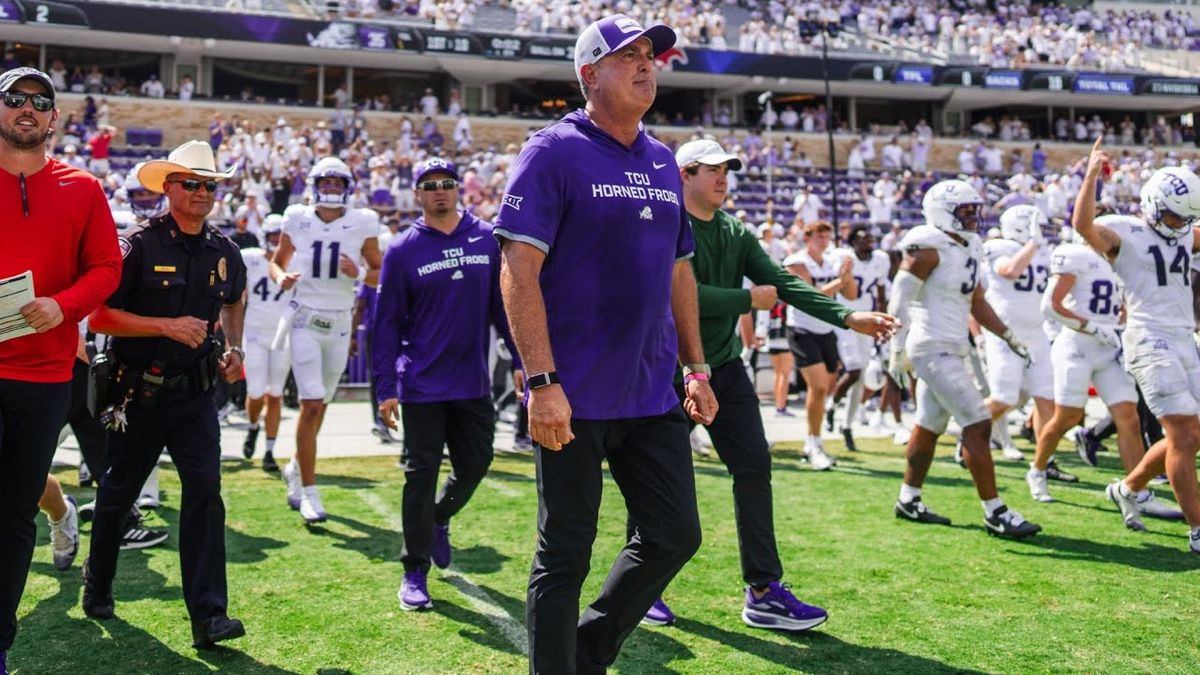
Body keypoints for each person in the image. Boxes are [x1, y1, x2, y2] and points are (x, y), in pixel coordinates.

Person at [494, 15, 717, 673]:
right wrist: (540, 381)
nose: (646, 64)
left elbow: (681, 271)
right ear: (590, 73)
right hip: (572, 393)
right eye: (628, 56)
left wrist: (696, 366)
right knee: (565, 550)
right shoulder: (552, 151)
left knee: (676, 533)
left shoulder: (660, 159)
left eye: (651, 54)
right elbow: (517, 269)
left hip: (651, 392)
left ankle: (585, 651)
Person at [637, 139, 898, 630]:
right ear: (685, 174)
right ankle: (645, 589)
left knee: (754, 465)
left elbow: (782, 283)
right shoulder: (662, 221)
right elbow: (670, 295)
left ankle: (762, 589)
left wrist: (847, 315)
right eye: (713, 170)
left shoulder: (735, 230)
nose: (724, 178)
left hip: (724, 367)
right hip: (664, 371)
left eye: (727, 170)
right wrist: (744, 299)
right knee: (661, 483)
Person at [81, 140, 248, 648]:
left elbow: (234, 302)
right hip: (139, 395)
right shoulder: (138, 244)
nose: (202, 193)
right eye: (192, 183)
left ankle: (209, 618)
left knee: (205, 497)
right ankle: (98, 581)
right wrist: (167, 326)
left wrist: (233, 347)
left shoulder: (226, 251)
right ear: (169, 187)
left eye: (210, 185)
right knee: (116, 496)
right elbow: (100, 316)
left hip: (197, 398)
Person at [0, 67, 122, 673]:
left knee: (13, 509)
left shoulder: (84, 188)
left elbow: (105, 269)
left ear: (53, 118)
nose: (26, 108)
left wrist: (63, 307)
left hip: (44, 374)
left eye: (38, 102)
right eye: (14, 99)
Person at [372, 157, 519, 611]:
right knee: (420, 475)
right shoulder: (401, 250)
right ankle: (414, 570)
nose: (440, 191)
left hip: (472, 382)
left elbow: (503, 304)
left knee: (477, 463)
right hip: (421, 383)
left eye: (447, 183)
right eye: (430, 185)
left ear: (459, 189)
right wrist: (384, 387)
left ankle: (438, 517)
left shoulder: (485, 237)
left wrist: (520, 359)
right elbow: (387, 324)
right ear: (417, 193)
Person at [887, 180, 1042, 540]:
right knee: (978, 421)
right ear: (944, 212)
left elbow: (976, 300)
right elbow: (900, 298)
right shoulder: (927, 245)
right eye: (965, 211)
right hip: (930, 346)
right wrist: (895, 348)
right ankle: (995, 511)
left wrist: (1007, 335)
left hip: (953, 345)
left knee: (928, 426)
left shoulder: (970, 246)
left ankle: (909, 498)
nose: (973, 217)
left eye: (975, 209)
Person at [1072, 138, 1200, 551]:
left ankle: (1127, 488)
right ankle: (1198, 530)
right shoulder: (1125, 231)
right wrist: (1091, 176)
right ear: (1151, 202)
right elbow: (1084, 227)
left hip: (1183, 335)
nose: (1178, 225)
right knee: (1182, 432)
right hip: (1150, 338)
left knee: (1193, 434)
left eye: (1185, 219)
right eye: (1172, 216)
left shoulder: (1182, 229)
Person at [1030, 222, 1177, 517]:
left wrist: (1122, 325)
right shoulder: (1075, 256)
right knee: (1068, 417)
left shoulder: (1119, 263)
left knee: (1129, 418)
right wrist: (1092, 326)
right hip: (1076, 345)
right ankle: (1038, 469)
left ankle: (1138, 492)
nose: (1113, 238)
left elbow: (1119, 307)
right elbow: (1051, 305)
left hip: (1108, 348)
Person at [270, 157, 382, 523]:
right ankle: (309, 492)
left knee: (323, 403)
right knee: (312, 403)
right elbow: (277, 261)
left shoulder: (362, 221)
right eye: (326, 182)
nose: (332, 189)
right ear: (314, 185)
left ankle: (296, 468)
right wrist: (282, 277)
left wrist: (361, 271)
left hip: (340, 322)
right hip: (304, 316)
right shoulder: (296, 217)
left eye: (338, 183)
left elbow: (379, 274)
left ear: (348, 188)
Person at [975, 204, 1059, 467]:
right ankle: (967, 434)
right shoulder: (998, 247)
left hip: (1037, 334)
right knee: (1003, 399)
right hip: (1005, 334)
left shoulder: (1041, 252)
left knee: (1048, 400)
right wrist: (1033, 244)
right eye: (1037, 227)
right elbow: (1009, 270)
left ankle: (1045, 462)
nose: (1042, 233)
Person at [784, 221, 856, 470]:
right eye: (819, 237)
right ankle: (814, 444)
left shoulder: (832, 260)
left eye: (827, 237)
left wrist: (848, 277)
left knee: (826, 388)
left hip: (827, 329)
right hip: (802, 329)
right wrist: (841, 280)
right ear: (808, 238)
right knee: (818, 387)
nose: (824, 241)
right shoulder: (797, 261)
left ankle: (812, 440)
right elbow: (810, 296)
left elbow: (851, 295)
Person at [824, 225, 891, 452]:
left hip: (868, 319)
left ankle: (847, 426)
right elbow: (842, 288)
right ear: (852, 242)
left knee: (861, 376)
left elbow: (880, 294)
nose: (868, 241)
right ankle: (831, 406)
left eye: (870, 237)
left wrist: (882, 321)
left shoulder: (881, 260)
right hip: (846, 318)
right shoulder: (844, 258)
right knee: (854, 370)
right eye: (862, 238)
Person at [241, 214, 289, 472]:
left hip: (283, 335)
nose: (276, 241)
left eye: (280, 237)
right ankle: (252, 427)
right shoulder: (249, 259)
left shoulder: (296, 260)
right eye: (273, 236)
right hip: (255, 332)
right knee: (257, 391)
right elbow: (237, 296)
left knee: (276, 393)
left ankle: (270, 451)